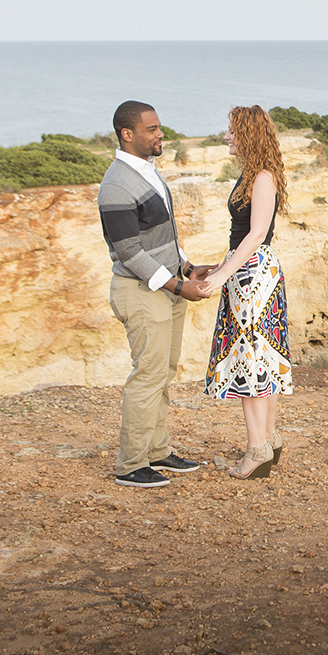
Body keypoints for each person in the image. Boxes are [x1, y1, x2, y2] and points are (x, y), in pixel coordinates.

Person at [98, 100, 207, 489]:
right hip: (142, 291)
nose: (160, 134)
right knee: (147, 375)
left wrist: (187, 267)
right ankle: (131, 464)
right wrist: (178, 285)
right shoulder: (117, 184)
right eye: (152, 129)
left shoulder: (147, 172)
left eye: (159, 127)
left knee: (164, 372)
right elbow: (130, 251)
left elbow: (162, 235)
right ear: (128, 134)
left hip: (164, 287)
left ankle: (157, 450)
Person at [192, 105, 293, 479]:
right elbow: (244, 238)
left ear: (248, 134)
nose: (226, 136)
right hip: (248, 270)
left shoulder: (262, 177)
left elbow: (255, 234)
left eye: (232, 130)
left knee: (251, 360)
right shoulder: (254, 174)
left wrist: (223, 275)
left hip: (254, 274)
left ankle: (258, 448)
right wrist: (219, 269)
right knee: (259, 356)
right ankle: (268, 438)